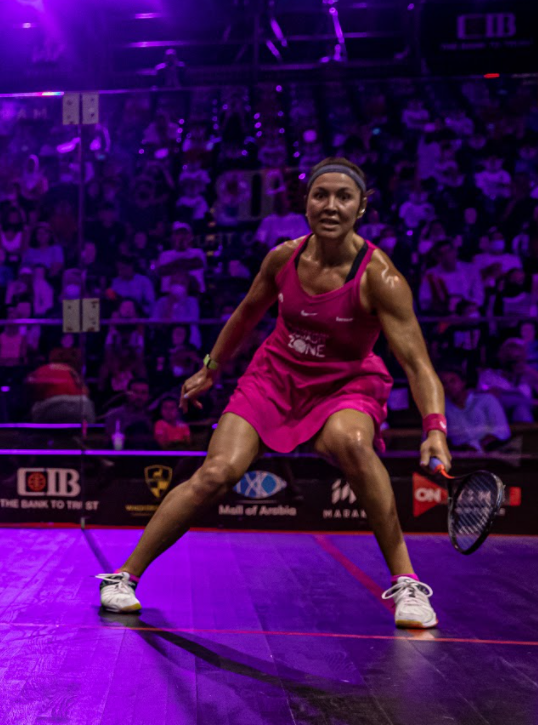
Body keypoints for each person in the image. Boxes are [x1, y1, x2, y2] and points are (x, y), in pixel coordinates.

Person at [96, 158, 452, 629]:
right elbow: (247, 313)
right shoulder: (283, 258)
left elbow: (418, 364)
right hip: (274, 378)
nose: (331, 206)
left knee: (353, 444)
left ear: (362, 207)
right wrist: (210, 368)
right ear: (306, 203)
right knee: (217, 471)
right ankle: (122, 577)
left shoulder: (380, 278)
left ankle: (407, 582)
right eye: (320, 195)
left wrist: (435, 429)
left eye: (343, 197)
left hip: (344, 385)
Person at [439, 366, 510, 452]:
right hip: (458, 454)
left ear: (463, 382)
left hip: (491, 451)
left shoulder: (486, 400)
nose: (449, 386)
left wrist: (478, 446)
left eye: (452, 381)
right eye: (444, 383)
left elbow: (502, 431)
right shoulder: (440, 409)